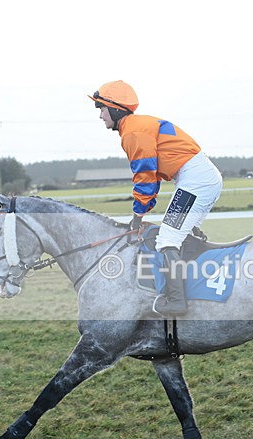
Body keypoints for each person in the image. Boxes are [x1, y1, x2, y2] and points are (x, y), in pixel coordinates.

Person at [89, 80, 223, 316]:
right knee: (181, 235)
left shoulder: (133, 132)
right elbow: (151, 178)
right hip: (200, 177)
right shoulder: (136, 126)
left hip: (196, 180)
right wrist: (142, 210)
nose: (100, 115)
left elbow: (145, 178)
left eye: (101, 109)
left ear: (115, 108)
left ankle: (177, 301)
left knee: (167, 240)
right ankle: (194, 287)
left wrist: (138, 215)